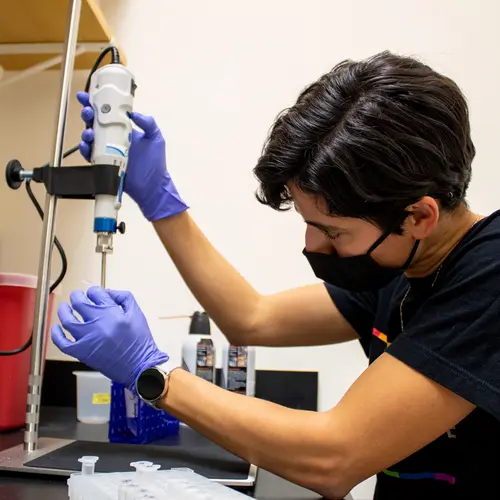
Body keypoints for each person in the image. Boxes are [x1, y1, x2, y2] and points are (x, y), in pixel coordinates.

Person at [51, 51, 500, 500]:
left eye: (332, 231)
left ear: (418, 216)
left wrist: (154, 374)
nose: (311, 245)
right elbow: (252, 319)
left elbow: (333, 456)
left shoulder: (489, 275)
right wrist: (160, 200)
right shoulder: (402, 264)